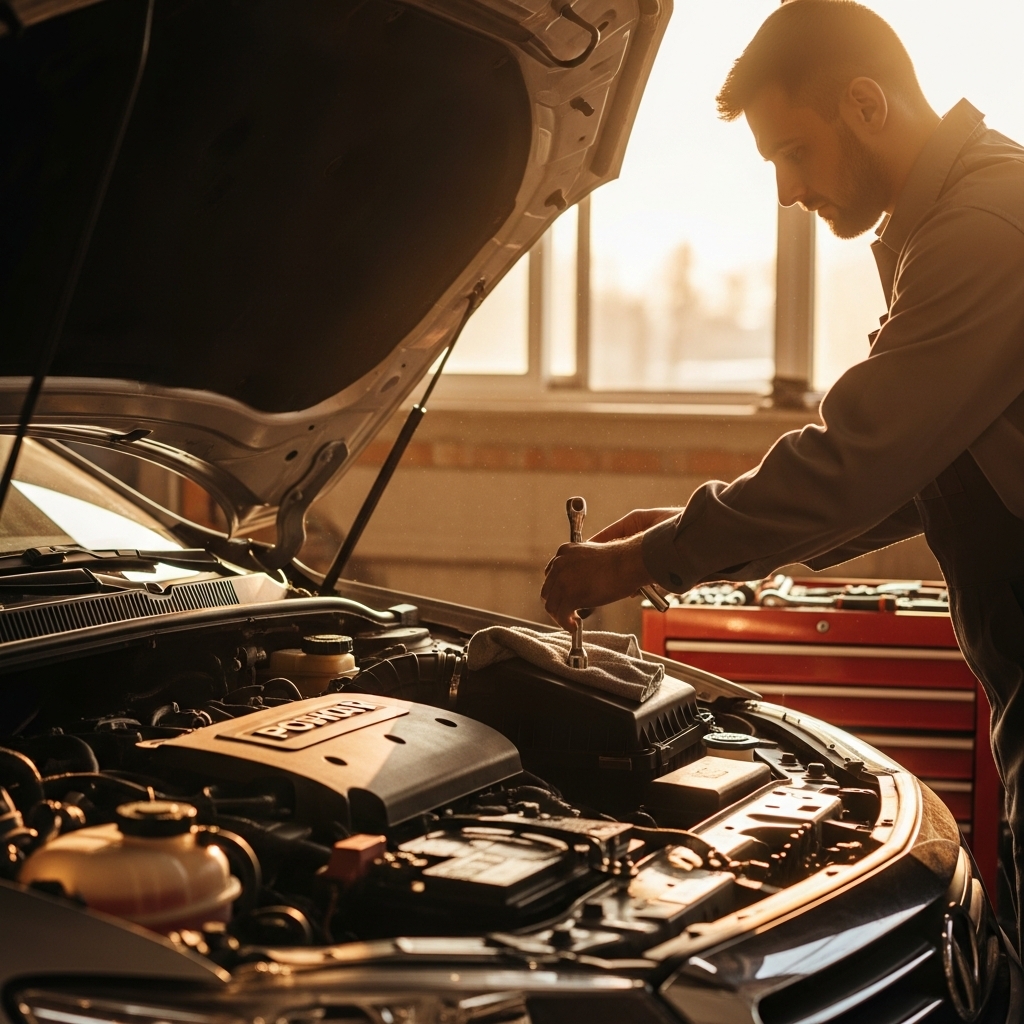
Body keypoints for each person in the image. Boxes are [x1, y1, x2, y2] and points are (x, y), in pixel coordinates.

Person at [541, 0, 1024, 948]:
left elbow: (854, 463)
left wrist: (645, 562)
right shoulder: (954, 218)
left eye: (793, 153)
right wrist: (678, 535)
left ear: (866, 103)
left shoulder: (985, 226)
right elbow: (899, 474)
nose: (787, 193)